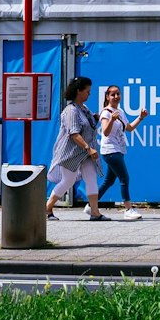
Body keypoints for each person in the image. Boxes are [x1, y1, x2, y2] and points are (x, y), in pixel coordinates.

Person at [45, 76, 105, 222]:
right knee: (68, 181)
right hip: (71, 153)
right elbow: (74, 133)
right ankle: (47, 208)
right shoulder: (71, 111)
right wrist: (88, 148)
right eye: (87, 91)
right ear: (79, 91)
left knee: (91, 179)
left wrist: (96, 118)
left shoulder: (84, 109)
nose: (89, 94)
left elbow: (88, 127)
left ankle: (95, 212)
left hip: (84, 153)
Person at [97, 84, 150, 220]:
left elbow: (130, 128)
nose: (116, 97)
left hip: (119, 150)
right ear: (107, 97)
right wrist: (112, 120)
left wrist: (141, 117)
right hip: (110, 151)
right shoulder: (106, 113)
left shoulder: (120, 112)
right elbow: (106, 132)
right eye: (113, 94)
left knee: (108, 181)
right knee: (124, 178)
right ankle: (128, 209)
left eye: (118, 94)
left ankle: (91, 205)